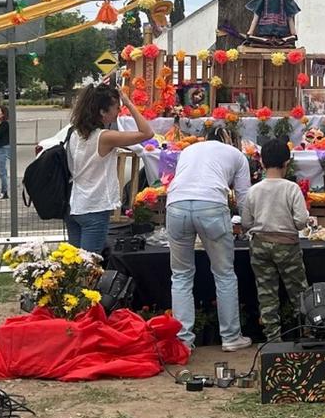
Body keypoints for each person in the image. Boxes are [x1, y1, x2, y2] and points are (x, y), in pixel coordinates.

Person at [165, 126, 254, 352]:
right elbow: (244, 196)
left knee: (181, 275)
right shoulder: (237, 155)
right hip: (212, 206)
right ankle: (231, 337)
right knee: (224, 274)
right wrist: (246, 225)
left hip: (176, 205)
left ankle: (183, 340)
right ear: (229, 139)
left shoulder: (189, 151)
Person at [64, 83, 153, 254]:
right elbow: (146, 133)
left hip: (74, 204)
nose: (118, 110)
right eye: (116, 107)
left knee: (74, 262)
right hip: (95, 207)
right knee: (90, 265)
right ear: (102, 112)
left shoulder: (75, 133)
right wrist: (129, 103)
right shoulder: (105, 137)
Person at [241, 139, 310, 343]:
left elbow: (246, 222)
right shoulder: (291, 189)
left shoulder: (254, 191)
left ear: (262, 163)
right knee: (298, 290)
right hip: (287, 246)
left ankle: (273, 339)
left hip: (260, 245)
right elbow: (300, 222)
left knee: (266, 292)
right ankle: (308, 332)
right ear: (286, 163)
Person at [0, 106, 11, 200]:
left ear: (3, 114)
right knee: (1, 170)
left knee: (2, 171)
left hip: (3, 147)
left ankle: (4, 192)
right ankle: (4, 191)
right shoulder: (0, 123)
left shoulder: (5, 124)